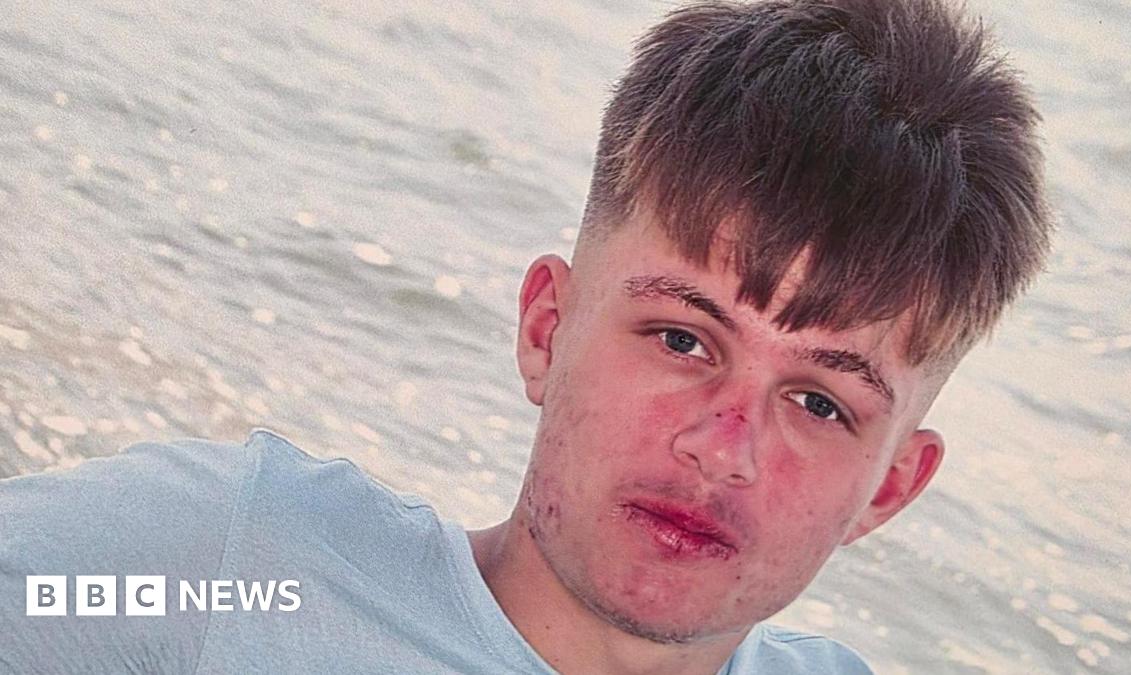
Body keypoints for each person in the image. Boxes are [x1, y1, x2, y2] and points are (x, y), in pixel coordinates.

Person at [0, 0, 1051, 672]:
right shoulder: (231, 569)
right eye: (682, 339)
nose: (723, 447)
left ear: (889, 487)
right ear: (547, 327)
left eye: (820, 401)